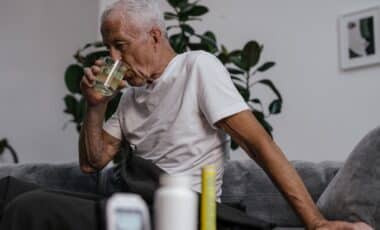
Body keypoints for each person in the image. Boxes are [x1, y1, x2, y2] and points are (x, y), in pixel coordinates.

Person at [0, 0, 374, 229]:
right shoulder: (130, 97)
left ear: (155, 37)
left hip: (183, 212)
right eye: (108, 48)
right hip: (134, 203)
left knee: (31, 207)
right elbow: (93, 163)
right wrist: (95, 106)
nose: (113, 58)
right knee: (9, 189)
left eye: (120, 45)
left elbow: (258, 143)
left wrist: (315, 221)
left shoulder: (197, 67)